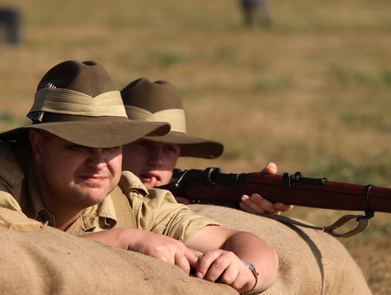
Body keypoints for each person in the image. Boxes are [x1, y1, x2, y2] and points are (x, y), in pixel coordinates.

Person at [0, 59, 278, 295]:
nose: (99, 162)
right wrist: (122, 241)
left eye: (112, 145)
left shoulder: (128, 193)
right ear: (38, 144)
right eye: (78, 145)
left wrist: (244, 267)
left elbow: (241, 240)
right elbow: (0, 262)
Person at [120, 77, 295, 216]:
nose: (157, 160)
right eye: (143, 144)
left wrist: (256, 203)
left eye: (169, 149)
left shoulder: (194, 192)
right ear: (113, 146)